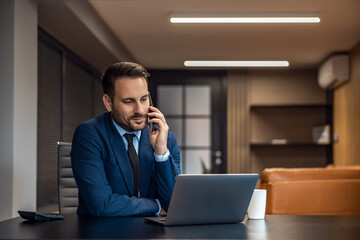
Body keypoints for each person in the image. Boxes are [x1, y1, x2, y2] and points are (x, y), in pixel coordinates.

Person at [71, 62, 181, 217]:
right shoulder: (89, 135)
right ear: (108, 103)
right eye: (129, 101)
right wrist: (155, 205)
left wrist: (161, 152)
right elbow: (101, 204)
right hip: (104, 232)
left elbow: (174, 205)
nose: (140, 110)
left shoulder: (166, 138)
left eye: (144, 99)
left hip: (154, 234)